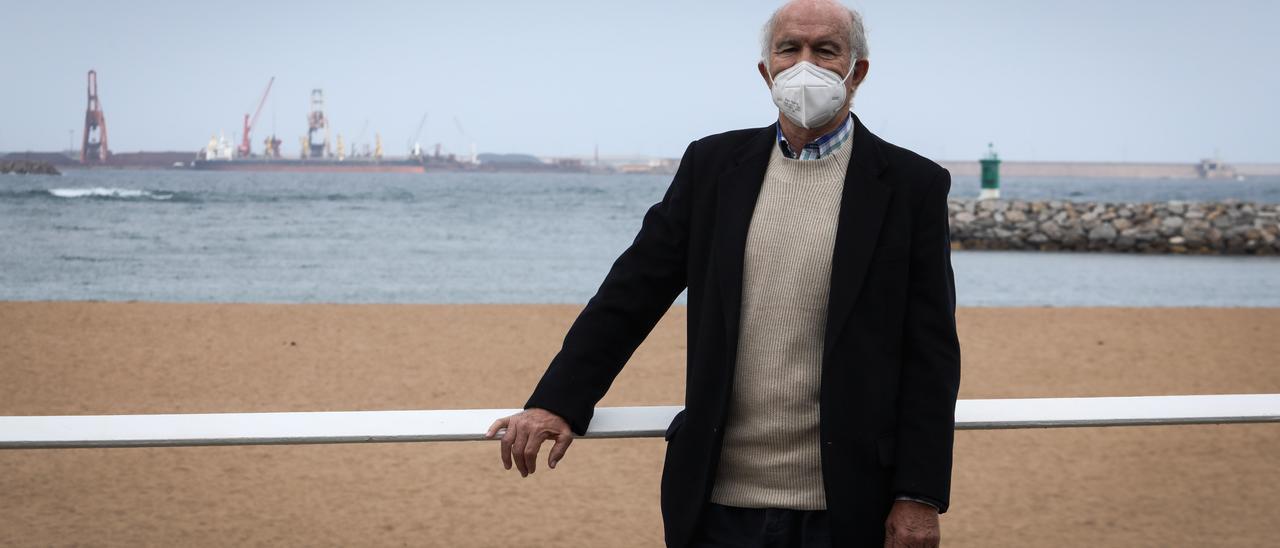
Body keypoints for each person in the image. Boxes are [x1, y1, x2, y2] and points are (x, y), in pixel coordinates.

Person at [485, 1, 961, 546]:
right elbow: (631, 293)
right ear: (766, 70)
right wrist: (556, 400)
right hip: (715, 505)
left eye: (826, 50)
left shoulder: (912, 186)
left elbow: (932, 354)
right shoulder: (712, 168)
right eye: (789, 49)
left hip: (851, 506)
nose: (805, 65)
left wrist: (919, 494)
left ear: (858, 71)